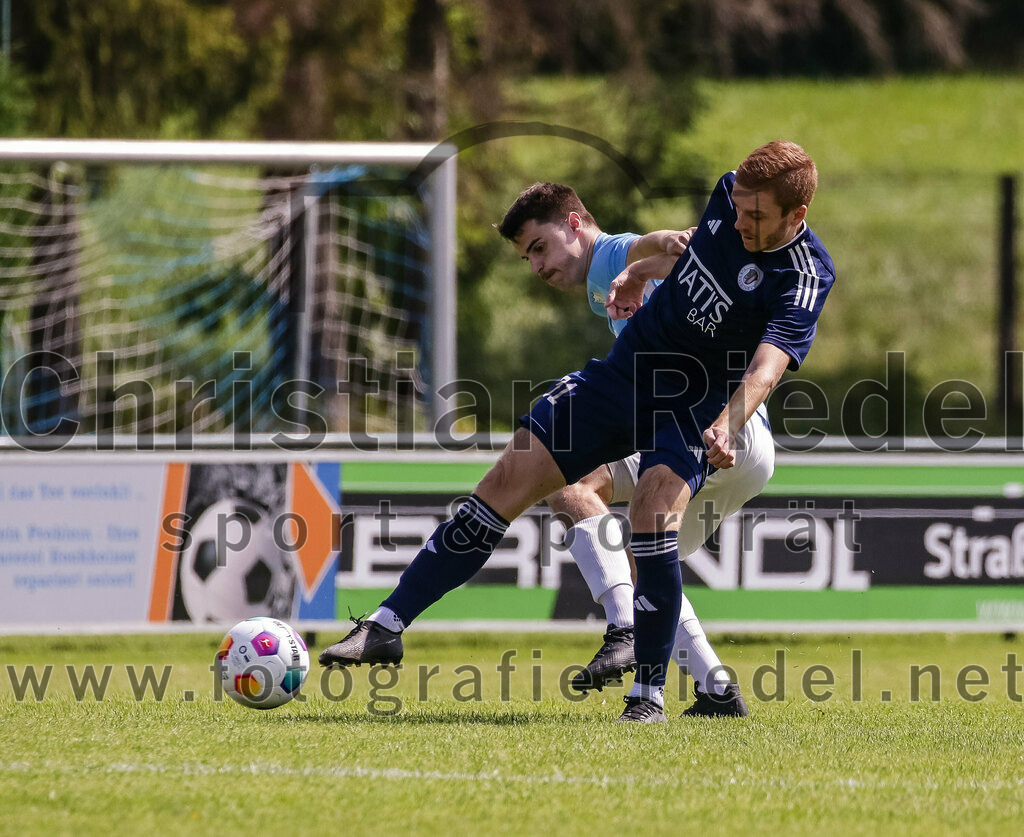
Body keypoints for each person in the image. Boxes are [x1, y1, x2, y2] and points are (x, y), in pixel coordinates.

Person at [320, 140, 835, 723]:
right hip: (628, 375)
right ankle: (387, 625)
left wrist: (727, 422)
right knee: (514, 473)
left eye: (756, 216)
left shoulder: (806, 274)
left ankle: (647, 695)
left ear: (797, 216)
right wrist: (639, 274)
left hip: (700, 402)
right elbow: (690, 253)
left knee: (651, 512)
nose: (739, 221)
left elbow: (769, 362)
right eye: (738, 207)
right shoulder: (728, 197)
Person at [494, 182, 773, 717]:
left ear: (576, 223)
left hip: (723, 430)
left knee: (572, 483)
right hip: (738, 441)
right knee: (648, 560)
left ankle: (624, 627)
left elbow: (655, 247)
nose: (537, 266)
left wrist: (666, 246)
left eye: (539, 247)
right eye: (528, 257)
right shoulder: (607, 275)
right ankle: (715, 689)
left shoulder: (610, 254)